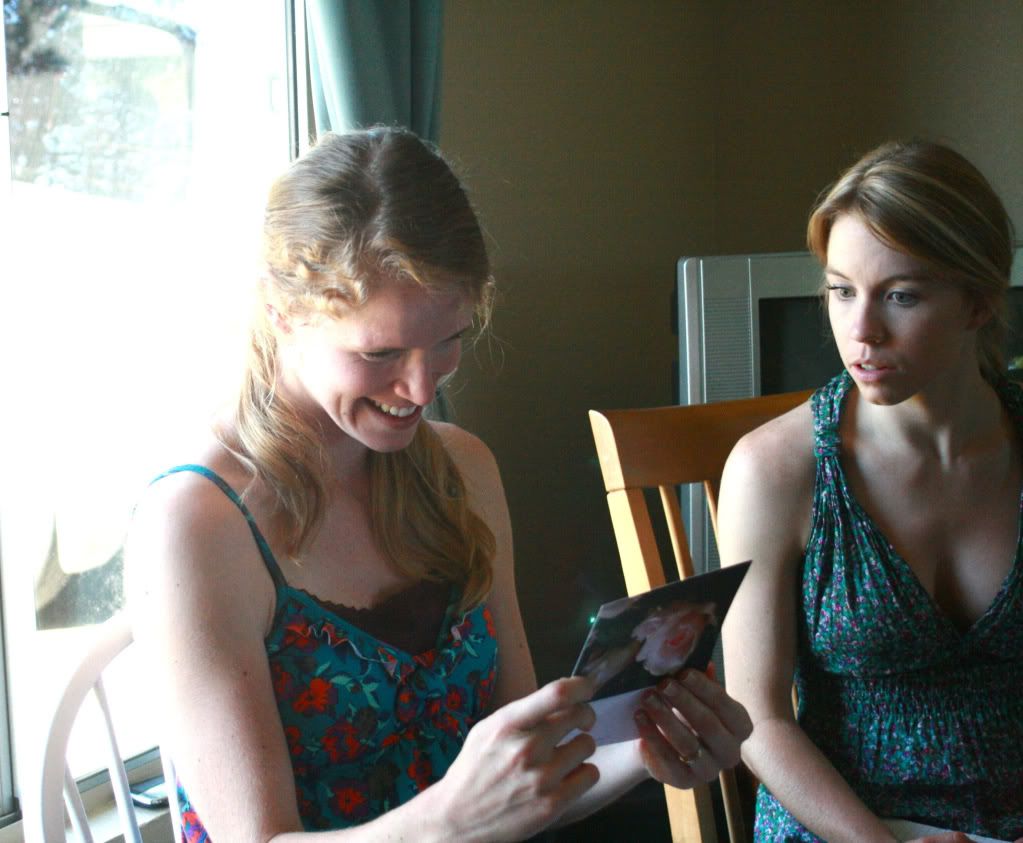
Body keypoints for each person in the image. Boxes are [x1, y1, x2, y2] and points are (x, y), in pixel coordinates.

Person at [126, 126, 753, 841]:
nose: (420, 388)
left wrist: (648, 748)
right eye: (380, 350)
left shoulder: (461, 469)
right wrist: (448, 820)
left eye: (449, 338)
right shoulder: (199, 523)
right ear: (284, 316)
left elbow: (521, 789)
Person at [717, 139, 1023, 843]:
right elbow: (757, 716)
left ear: (977, 300)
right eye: (839, 289)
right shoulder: (776, 470)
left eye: (899, 295)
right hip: (844, 829)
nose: (860, 331)